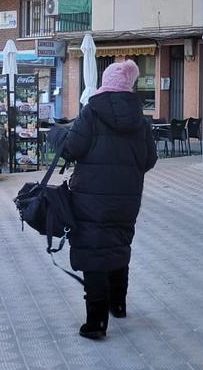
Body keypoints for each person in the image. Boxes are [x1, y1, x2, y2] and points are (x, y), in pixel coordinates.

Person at [57, 59, 157, 339]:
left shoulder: (91, 112)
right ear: (128, 85)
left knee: (93, 252)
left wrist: (58, 138)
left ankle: (96, 322)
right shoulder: (140, 119)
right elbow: (149, 159)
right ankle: (119, 304)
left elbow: (72, 149)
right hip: (127, 198)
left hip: (90, 197)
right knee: (118, 244)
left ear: (105, 83)